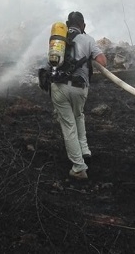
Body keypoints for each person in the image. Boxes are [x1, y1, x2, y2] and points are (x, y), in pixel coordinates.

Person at [50, 11, 107, 180]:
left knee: (69, 126)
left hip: (59, 87)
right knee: (78, 116)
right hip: (80, 88)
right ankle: (84, 154)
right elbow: (103, 62)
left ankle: (78, 167)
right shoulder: (88, 40)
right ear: (83, 25)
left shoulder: (58, 40)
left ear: (67, 25)